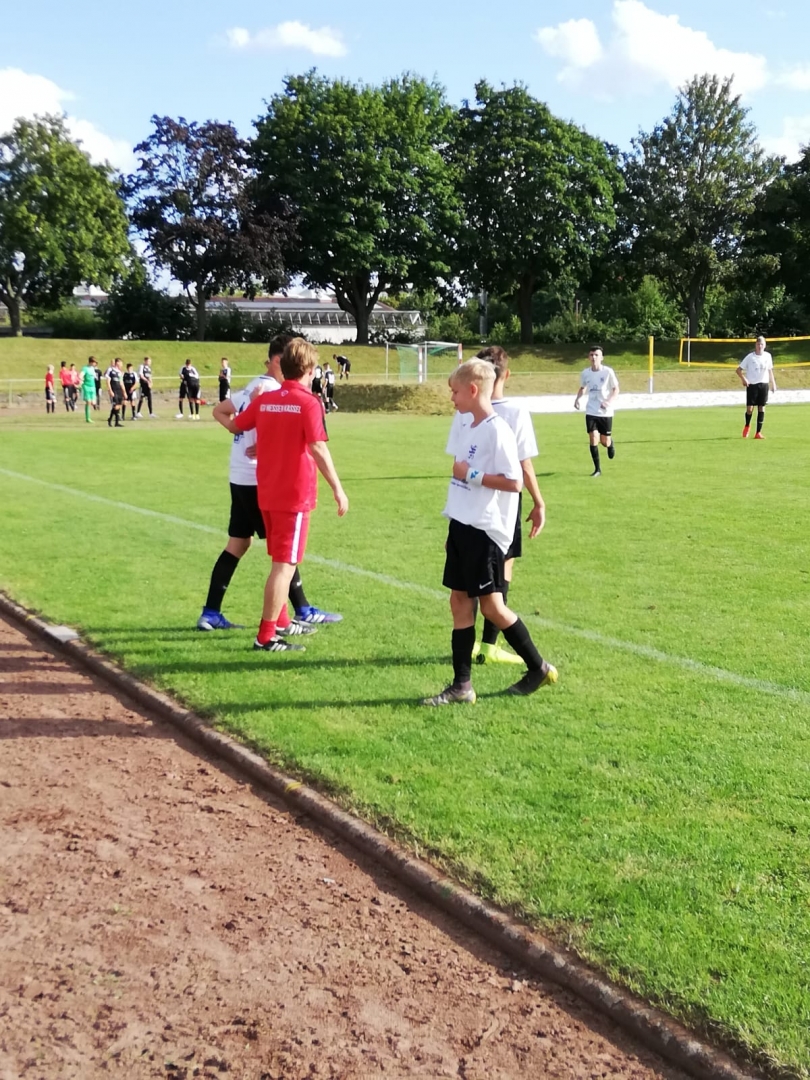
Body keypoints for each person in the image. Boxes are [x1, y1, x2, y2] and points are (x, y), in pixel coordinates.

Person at [422, 359, 557, 705]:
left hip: (484, 531)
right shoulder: (468, 425)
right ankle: (462, 686)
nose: (451, 398)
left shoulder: (498, 430)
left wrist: (471, 475)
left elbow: (513, 482)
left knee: (493, 607)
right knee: (458, 602)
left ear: (472, 390)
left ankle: (538, 667)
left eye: (455, 392)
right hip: (463, 526)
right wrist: (454, 524)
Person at [202, 334, 344, 632]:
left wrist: (259, 441)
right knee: (284, 558)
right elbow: (316, 445)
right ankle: (280, 625)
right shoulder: (287, 395)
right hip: (277, 486)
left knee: (245, 546)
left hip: (248, 481)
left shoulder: (259, 391)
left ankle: (214, 612)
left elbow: (233, 421)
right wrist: (338, 489)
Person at [462, 345, 546, 665]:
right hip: (504, 502)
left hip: (471, 500)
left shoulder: (467, 408)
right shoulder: (514, 411)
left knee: (470, 574)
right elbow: (524, 464)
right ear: (506, 374)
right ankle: (489, 646)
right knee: (502, 569)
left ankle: (471, 644)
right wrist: (539, 502)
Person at [573, 346, 619, 477]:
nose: (594, 357)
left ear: (601, 357)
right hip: (591, 411)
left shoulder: (608, 372)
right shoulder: (585, 373)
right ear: (588, 357)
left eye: (596, 355)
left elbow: (616, 389)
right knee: (593, 438)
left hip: (605, 412)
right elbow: (583, 387)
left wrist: (608, 401)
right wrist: (577, 399)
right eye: (591, 355)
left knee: (604, 441)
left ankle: (610, 444)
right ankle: (597, 469)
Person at [737, 335, 776, 439]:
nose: (760, 346)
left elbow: (770, 370)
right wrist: (744, 379)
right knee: (750, 409)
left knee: (761, 408)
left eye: (762, 344)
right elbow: (738, 370)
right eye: (758, 344)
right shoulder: (750, 357)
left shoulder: (768, 356)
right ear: (756, 345)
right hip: (752, 385)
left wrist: (773, 383)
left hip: (764, 384)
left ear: (765, 345)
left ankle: (758, 432)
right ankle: (747, 425)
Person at [104, 358, 125, 427]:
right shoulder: (110, 370)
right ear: (117, 363)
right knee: (115, 406)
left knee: (118, 406)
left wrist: (124, 392)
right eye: (121, 363)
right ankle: (110, 420)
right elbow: (108, 381)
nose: (122, 364)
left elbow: (121, 383)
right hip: (114, 390)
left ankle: (116, 422)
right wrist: (110, 390)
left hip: (119, 390)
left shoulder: (120, 372)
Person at [79, 357, 98, 423]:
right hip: (87, 386)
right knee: (88, 402)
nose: (95, 364)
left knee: (93, 403)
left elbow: (94, 376)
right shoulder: (85, 368)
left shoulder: (92, 369)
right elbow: (80, 375)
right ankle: (88, 418)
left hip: (93, 387)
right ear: (91, 362)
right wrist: (81, 380)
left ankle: (88, 416)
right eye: (94, 362)